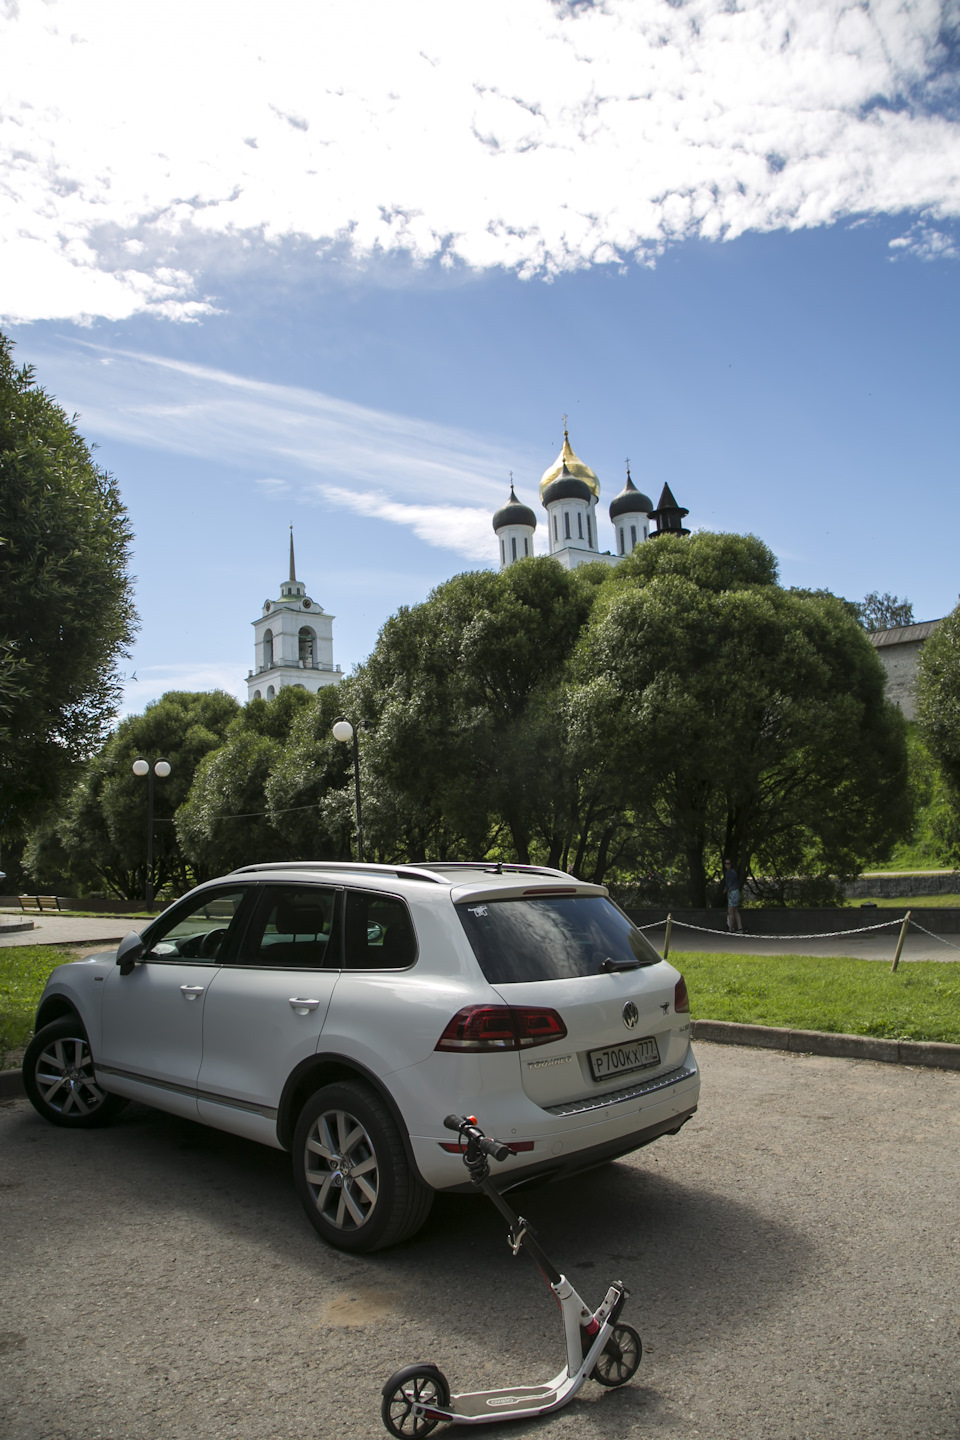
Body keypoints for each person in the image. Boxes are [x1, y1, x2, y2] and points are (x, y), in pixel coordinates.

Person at [723, 858, 744, 933]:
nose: (727, 865)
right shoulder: (727, 872)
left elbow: (730, 883)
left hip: (733, 892)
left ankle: (731, 929)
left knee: (730, 911)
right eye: (726, 863)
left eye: (728, 864)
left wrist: (726, 889)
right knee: (735, 910)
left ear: (731, 864)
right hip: (731, 892)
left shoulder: (732, 872)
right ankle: (740, 928)